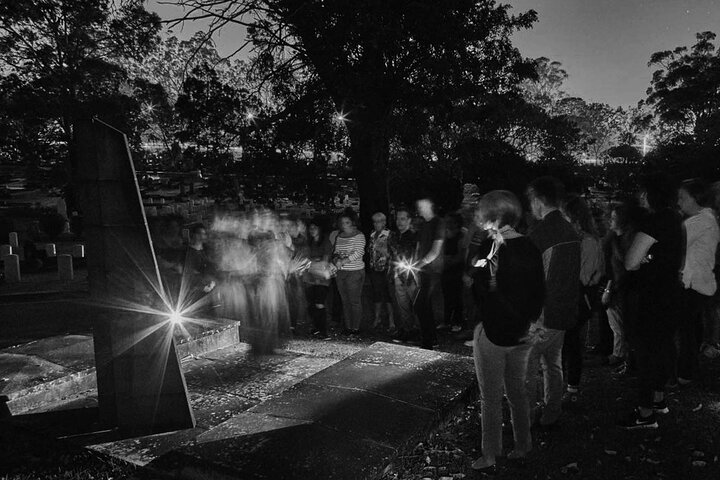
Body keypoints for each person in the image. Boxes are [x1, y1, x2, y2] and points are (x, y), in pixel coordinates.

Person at [469, 190, 545, 471]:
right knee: (517, 392)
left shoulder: (490, 246)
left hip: (493, 332)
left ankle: (490, 455)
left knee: (490, 397)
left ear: (492, 216)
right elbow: (539, 292)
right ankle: (523, 445)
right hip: (522, 333)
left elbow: (480, 290)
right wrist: (530, 322)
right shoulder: (530, 247)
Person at [619, 173, 683, 429]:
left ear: (649, 194)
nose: (639, 197)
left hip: (652, 296)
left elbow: (631, 261)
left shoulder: (654, 222)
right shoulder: (674, 218)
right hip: (669, 293)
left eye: (642, 192)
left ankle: (644, 414)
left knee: (647, 353)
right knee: (662, 347)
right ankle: (658, 399)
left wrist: (643, 259)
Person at [525, 176, 581, 428]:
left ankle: (524, 416)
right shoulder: (570, 228)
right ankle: (552, 410)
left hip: (541, 313)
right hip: (565, 309)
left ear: (537, 200)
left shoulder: (541, 232)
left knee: (526, 368)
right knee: (553, 364)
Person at [560, 195, 604, 407]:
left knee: (571, 343)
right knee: (565, 342)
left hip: (580, 298)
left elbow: (584, 276)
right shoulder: (578, 240)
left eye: (565, 217)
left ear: (574, 218)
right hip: (571, 296)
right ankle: (563, 384)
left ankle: (572, 387)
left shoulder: (587, 242)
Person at [676, 179, 719, 384]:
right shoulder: (707, 219)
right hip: (702, 282)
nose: (679, 202)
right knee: (691, 330)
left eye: (683, 197)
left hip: (692, 284)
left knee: (687, 332)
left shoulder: (697, 222)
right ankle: (688, 370)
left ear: (696, 198)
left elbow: (674, 246)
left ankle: (685, 372)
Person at [602, 202, 640, 369]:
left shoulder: (626, 242)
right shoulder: (614, 239)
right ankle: (625, 357)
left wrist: (609, 289)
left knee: (622, 325)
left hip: (623, 289)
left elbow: (619, 270)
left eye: (614, 218)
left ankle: (624, 358)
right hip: (620, 288)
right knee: (619, 324)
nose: (610, 221)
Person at [413, 197, 445, 349]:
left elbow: (436, 250)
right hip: (424, 270)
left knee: (421, 304)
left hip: (432, 270)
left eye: (422, 205)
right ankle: (430, 338)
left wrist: (420, 263)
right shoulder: (424, 225)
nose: (419, 208)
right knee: (425, 305)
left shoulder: (438, 223)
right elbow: (420, 246)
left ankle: (428, 340)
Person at [332, 210, 366, 335]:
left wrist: (344, 261)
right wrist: (336, 260)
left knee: (354, 301)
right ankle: (348, 326)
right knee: (345, 301)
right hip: (341, 272)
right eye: (342, 222)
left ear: (352, 222)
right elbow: (336, 251)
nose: (344, 224)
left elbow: (359, 252)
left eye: (347, 222)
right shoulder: (340, 236)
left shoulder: (359, 236)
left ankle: (355, 328)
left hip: (354, 272)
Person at [388, 206, 419, 343]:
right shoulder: (395, 236)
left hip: (411, 275)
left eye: (403, 219)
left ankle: (419, 332)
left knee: (416, 304)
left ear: (409, 220)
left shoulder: (413, 236)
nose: (399, 222)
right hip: (398, 275)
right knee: (403, 305)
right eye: (398, 219)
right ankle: (408, 331)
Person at [302, 218, 334, 339]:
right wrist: (313, 262)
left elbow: (325, 261)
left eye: (314, 228)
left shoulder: (325, 242)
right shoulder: (309, 243)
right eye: (310, 228)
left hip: (322, 278)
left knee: (319, 303)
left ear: (320, 229)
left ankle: (323, 331)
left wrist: (313, 263)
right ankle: (316, 327)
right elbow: (305, 259)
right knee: (311, 303)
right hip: (309, 277)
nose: (312, 230)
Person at [367, 212, 395, 332]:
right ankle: (377, 318)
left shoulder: (389, 235)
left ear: (384, 222)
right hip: (374, 268)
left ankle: (391, 321)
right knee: (376, 293)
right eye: (374, 221)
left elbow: (393, 252)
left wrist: (383, 251)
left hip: (386, 268)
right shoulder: (372, 234)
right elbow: (369, 249)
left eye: (379, 221)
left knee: (388, 295)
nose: (376, 224)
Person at [441, 213, 465, 332]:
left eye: (449, 221)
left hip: (456, 270)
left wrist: (450, 260)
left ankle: (457, 321)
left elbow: (461, 254)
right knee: (446, 296)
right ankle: (446, 321)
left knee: (456, 296)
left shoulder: (461, 236)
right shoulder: (445, 235)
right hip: (446, 269)